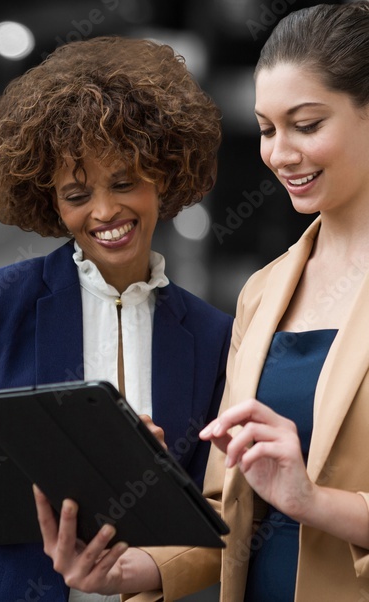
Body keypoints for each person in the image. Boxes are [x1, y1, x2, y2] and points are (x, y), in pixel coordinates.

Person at [35, 3, 369, 601]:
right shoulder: (264, 291)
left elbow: (295, 499)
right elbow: (229, 509)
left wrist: (313, 502)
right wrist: (134, 569)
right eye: (267, 129)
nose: (280, 153)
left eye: (307, 124)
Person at [0, 36, 232, 602]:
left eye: (124, 182)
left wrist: (156, 486)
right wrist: (67, 479)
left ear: (163, 176)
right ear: (51, 201)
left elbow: (217, 515)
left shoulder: (214, 335)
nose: (104, 211)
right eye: (76, 194)